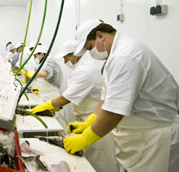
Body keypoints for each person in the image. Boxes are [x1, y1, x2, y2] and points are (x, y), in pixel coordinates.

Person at [63, 19, 179, 172]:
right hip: (139, 137)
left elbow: (113, 112)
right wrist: (89, 122)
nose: (91, 53)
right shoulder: (115, 55)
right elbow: (106, 98)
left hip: (154, 138)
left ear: (100, 36)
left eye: (90, 47)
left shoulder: (125, 56)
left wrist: (85, 139)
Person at [30, 40, 118, 172]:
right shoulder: (81, 67)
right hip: (87, 118)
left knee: (100, 158)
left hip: (96, 119)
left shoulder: (86, 70)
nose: (65, 62)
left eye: (66, 58)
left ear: (74, 55)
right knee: (89, 158)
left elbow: (66, 97)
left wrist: (48, 105)